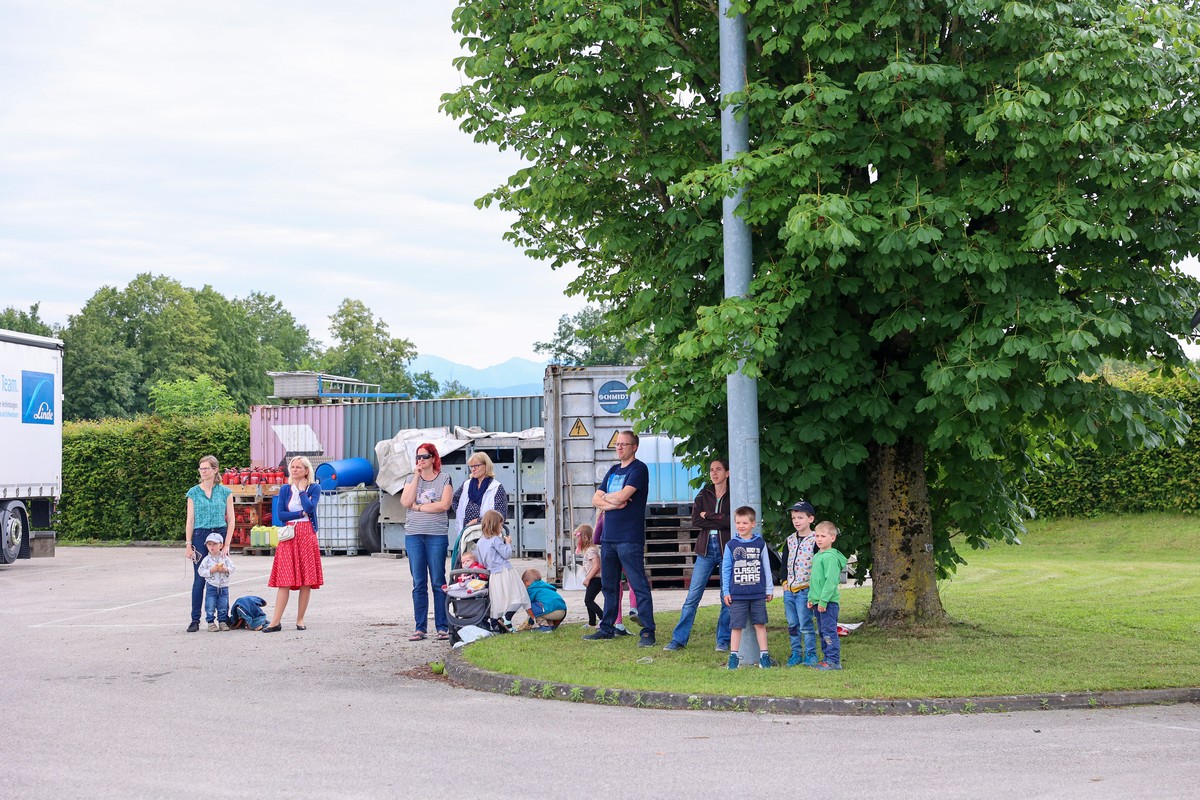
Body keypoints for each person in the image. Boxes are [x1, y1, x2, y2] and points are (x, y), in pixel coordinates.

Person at [584, 430, 656, 647]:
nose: (620, 447)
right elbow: (595, 499)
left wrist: (610, 499)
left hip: (629, 537)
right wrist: (612, 501)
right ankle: (607, 628)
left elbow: (625, 495)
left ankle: (647, 631)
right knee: (609, 586)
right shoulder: (614, 471)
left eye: (624, 444)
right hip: (608, 538)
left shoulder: (639, 469)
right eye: (617, 444)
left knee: (638, 584)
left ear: (634, 446)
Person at [664, 458, 732, 652]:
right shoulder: (704, 493)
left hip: (726, 549)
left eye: (718, 469)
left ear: (727, 473)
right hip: (705, 549)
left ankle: (723, 640)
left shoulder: (734, 494)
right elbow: (696, 520)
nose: (714, 473)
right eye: (711, 470)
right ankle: (678, 640)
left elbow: (732, 521)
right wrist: (717, 520)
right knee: (693, 596)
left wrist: (708, 515)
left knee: (726, 596)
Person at [400, 442, 454, 641]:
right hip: (414, 535)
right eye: (418, 457)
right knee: (418, 582)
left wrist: (420, 508)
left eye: (424, 457)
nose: (420, 460)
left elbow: (445, 505)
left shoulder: (444, 478)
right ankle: (420, 627)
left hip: (436, 535)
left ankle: (442, 626)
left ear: (433, 458)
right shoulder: (410, 478)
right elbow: (405, 502)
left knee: (438, 580)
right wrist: (416, 476)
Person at [264, 456, 324, 632]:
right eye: (293, 466)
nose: (295, 469)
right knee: (285, 580)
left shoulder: (314, 487)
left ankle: (300, 619)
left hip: (307, 535)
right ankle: (275, 621)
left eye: (299, 467)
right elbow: (281, 515)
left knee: (306, 580)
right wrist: (300, 514)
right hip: (289, 535)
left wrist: (302, 490)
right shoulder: (284, 489)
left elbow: (310, 508)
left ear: (307, 470)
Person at [184, 455, 234, 633]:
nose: (203, 471)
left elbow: (232, 520)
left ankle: (223, 618)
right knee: (199, 578)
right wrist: (189, 544)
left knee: (222, 576)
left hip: (219, 533)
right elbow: (190, 520)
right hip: (200, 534)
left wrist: (227, 543)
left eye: (206, 468)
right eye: (201, 468)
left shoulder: (225, 492)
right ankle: (195, 619)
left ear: (215, 470)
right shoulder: (193, 492)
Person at [721, 506, 774, 670]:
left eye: (745, 522)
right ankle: (734, 657)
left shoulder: (760, 544)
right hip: (737, 594)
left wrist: (769, 589)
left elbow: (766, 566)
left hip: (758, 593)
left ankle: (764, 656)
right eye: (738, 523)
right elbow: (726, 569)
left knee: (760, 624)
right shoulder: (731, 545)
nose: (741, 526)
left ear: (753, 524)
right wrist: (726, 591)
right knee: (736, 626)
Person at [474, 509, 529, 628]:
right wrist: (508, 543)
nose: (502, 526)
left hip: (493, 575)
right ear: (495, 525)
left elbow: (481, 561)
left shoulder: (480, 542)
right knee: (519, 596)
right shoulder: (495, 540)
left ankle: (503, 624)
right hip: (505, 571)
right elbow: (507, 555)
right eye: (500, 524)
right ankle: (506, 618)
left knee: (500, 601)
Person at [782, 500, 819, 667]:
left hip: (805, 590)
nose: (796, 521)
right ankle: (796, 653)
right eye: (793, 518)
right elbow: (784, 562)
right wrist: (784, 581)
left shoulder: (815, 540)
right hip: (789, 590)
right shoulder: (789, 540)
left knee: (806, 624)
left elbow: (819, 566)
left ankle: (811, 654)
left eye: (800, 517)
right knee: (792, 623)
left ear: (810, 519)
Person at [807, 521, 848, 670]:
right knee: (822, 631)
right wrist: (812, 598)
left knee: (829, 631)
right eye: (817, 535)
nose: (819, 539)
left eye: (823, 536)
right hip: (818, 602)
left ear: (832, 538)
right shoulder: (818, 555)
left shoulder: (830, 557)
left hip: (828, 603)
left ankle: (833, 661)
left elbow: (830, 582)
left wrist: (823, 601)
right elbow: (815, 581)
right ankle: (826, 658)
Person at [450, 451, 509, 543]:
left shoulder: (496, 487)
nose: (473, 469)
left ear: (486, 466)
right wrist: (460, 513)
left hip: (487, 534)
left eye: (476, 466)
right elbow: (454, 499)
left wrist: (477, 520)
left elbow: (501, 515)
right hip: (467, 534)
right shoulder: (466, 484)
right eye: (471, 466)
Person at [197, 533, 235, 631]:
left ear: (221, 546)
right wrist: (211, 571)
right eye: (209, 544)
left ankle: (222, 621)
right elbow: (200, 571)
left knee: (223, 604)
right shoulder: (206, 560)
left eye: (214, 544)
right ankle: (210, 622)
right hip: (211, 586)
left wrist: (226, 569)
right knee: (210, 604)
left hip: (223, 586)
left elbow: (232, 567)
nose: (212, 547)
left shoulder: (225, 558)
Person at [574, 523, 602, 627]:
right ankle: (592, 622)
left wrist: (588, 578)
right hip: (594, 578)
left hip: (596, 579)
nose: (578, 541)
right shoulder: (591, 550)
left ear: (585, 537)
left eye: (578, 538)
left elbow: (596, 565)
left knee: (588, 600)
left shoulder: (591, 551)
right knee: (589, 600)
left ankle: (603, 618)